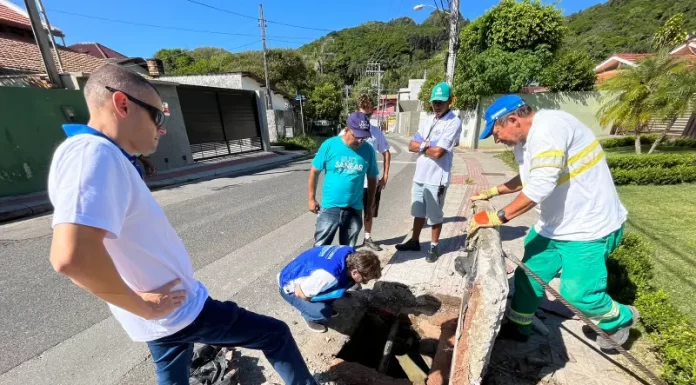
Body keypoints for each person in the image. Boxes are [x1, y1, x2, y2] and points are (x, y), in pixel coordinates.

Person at [47, 64, 318, 385]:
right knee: (275, 334)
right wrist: (144, 307)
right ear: (122, 105)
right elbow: (71, 257)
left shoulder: (100, 154)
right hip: (177, 312)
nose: (161, 128)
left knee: (174, 376)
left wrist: (145, 309)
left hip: (161, 312)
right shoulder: (92, 154)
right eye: (157, 116)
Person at [467, 94, 639, 351]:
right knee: (528, 279)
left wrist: (497, 217)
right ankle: (518, 327)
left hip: (587, 229)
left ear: (513, 120)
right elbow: (529, 177)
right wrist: (494, 192)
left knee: (578, 294)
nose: (496, 138)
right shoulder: (525, 140)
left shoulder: (550, 128)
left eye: (496, 131)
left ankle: (620, 318)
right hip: (553, 226)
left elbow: (540, 186)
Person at [395, 82, 462, 262]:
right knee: (418, 211)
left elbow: (439, 153)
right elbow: (411, 145)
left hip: (436, 178)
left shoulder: (453, 122)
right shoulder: (428, 120)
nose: (437, 105)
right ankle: (415, 240)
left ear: (450, 101)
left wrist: (422, 145)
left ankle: (433, 246)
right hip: (420, 175)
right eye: (434, 102)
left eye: (441, 101)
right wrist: (428, 145)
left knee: (435, 215)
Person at [308, 112, 380, 247]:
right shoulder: (330, 145)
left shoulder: (368, 150)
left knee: (347, 251)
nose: (360, 141)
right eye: (357, 136)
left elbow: (372, 179)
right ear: (347, 130)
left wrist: (369, 207)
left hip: (354, 209)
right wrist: (311, 199)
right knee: (320, 248)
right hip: (330, 207)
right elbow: (314, 172)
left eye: (363, 138)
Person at [278, 245, 381, 333]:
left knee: (350, 283)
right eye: (365, 279)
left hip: (302, 270)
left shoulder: (349, 252)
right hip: (289, 287)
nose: (366, 282)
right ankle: (309, 316)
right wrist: (316, 300)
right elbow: (299, 293)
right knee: (322, 312)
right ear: (354, 272)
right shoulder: (328, 277)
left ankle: (320, 299)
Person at [354, 95, 391, 251]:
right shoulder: (348, 131)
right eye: (363, 114)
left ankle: (367, 238)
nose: (366, 118)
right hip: (353, 180)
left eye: (368, 115)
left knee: (369, 210)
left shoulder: (375, 132)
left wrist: (385, 176)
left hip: (371, 181)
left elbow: (386, 152)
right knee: (352, 213)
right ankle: (350, 242)